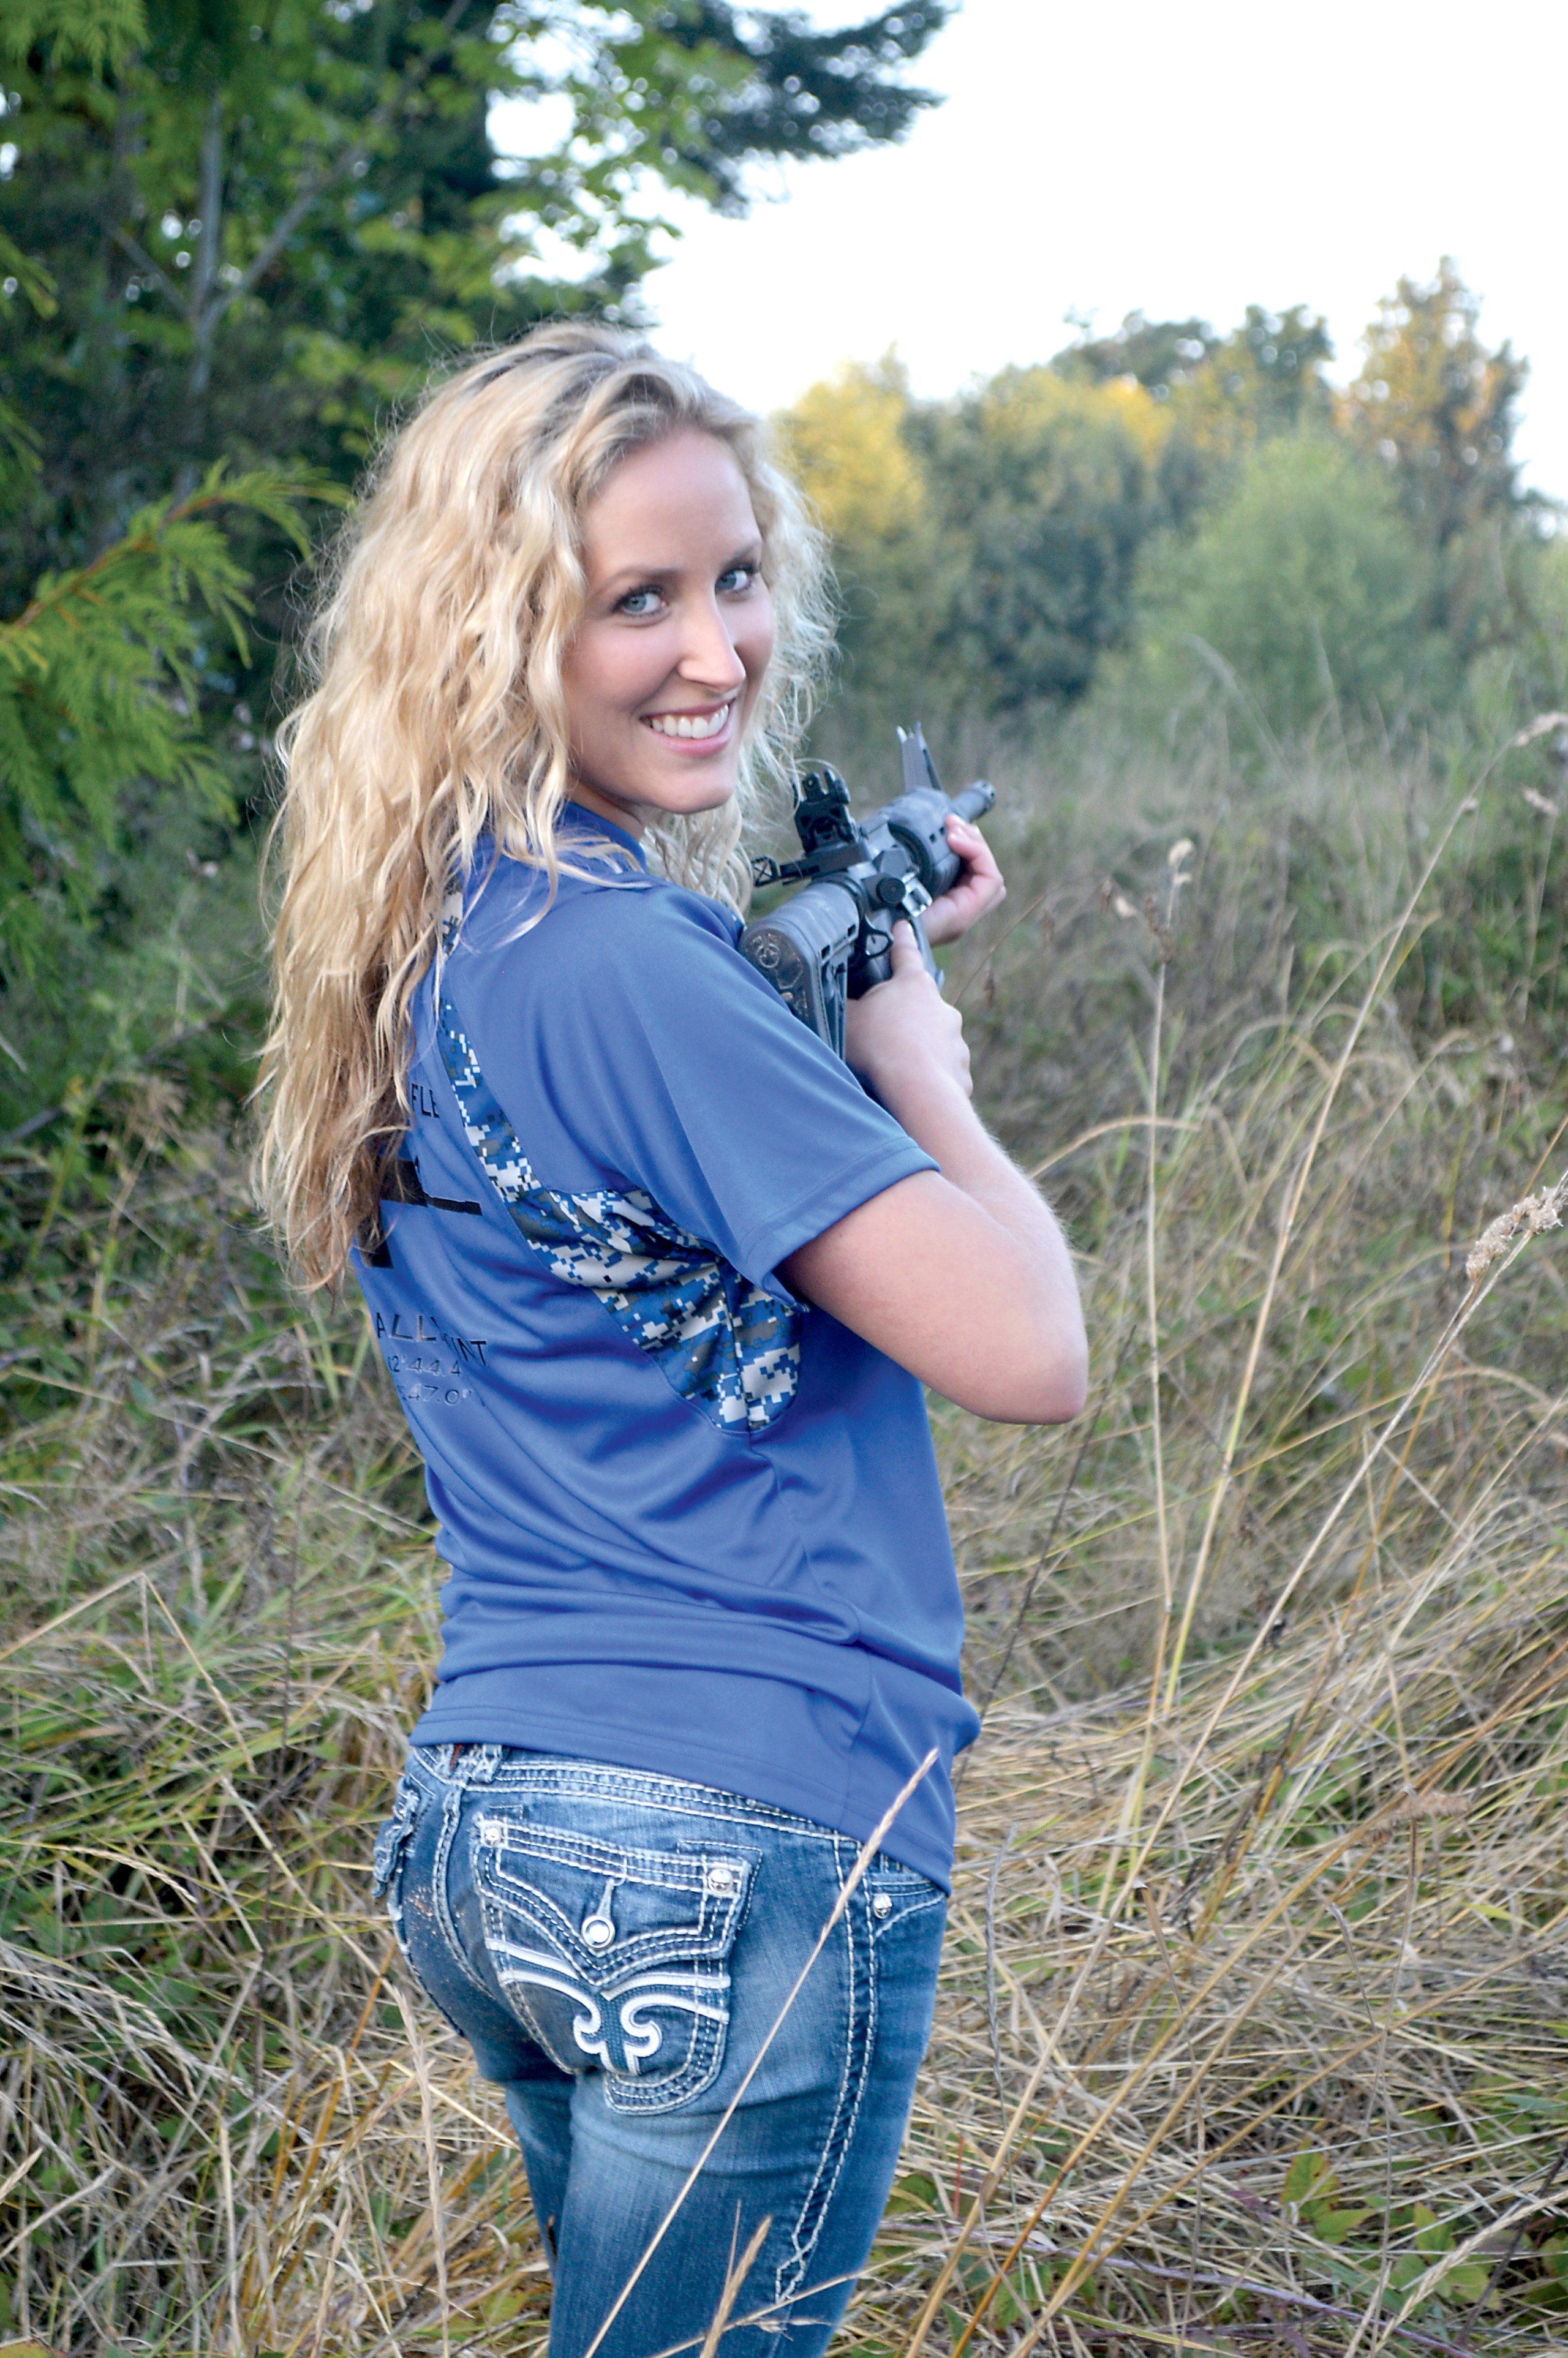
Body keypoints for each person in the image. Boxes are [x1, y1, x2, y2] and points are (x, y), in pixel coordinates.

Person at [260, 322, 1086, 2358]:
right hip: (740, 1837)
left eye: (735, 580)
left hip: (502, 1821)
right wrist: (921, 1062)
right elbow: (1029, 1347)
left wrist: (851, 944)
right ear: (495, 630)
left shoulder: (448, 940)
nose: (716, 648)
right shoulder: (636, 964)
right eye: (637, 598)